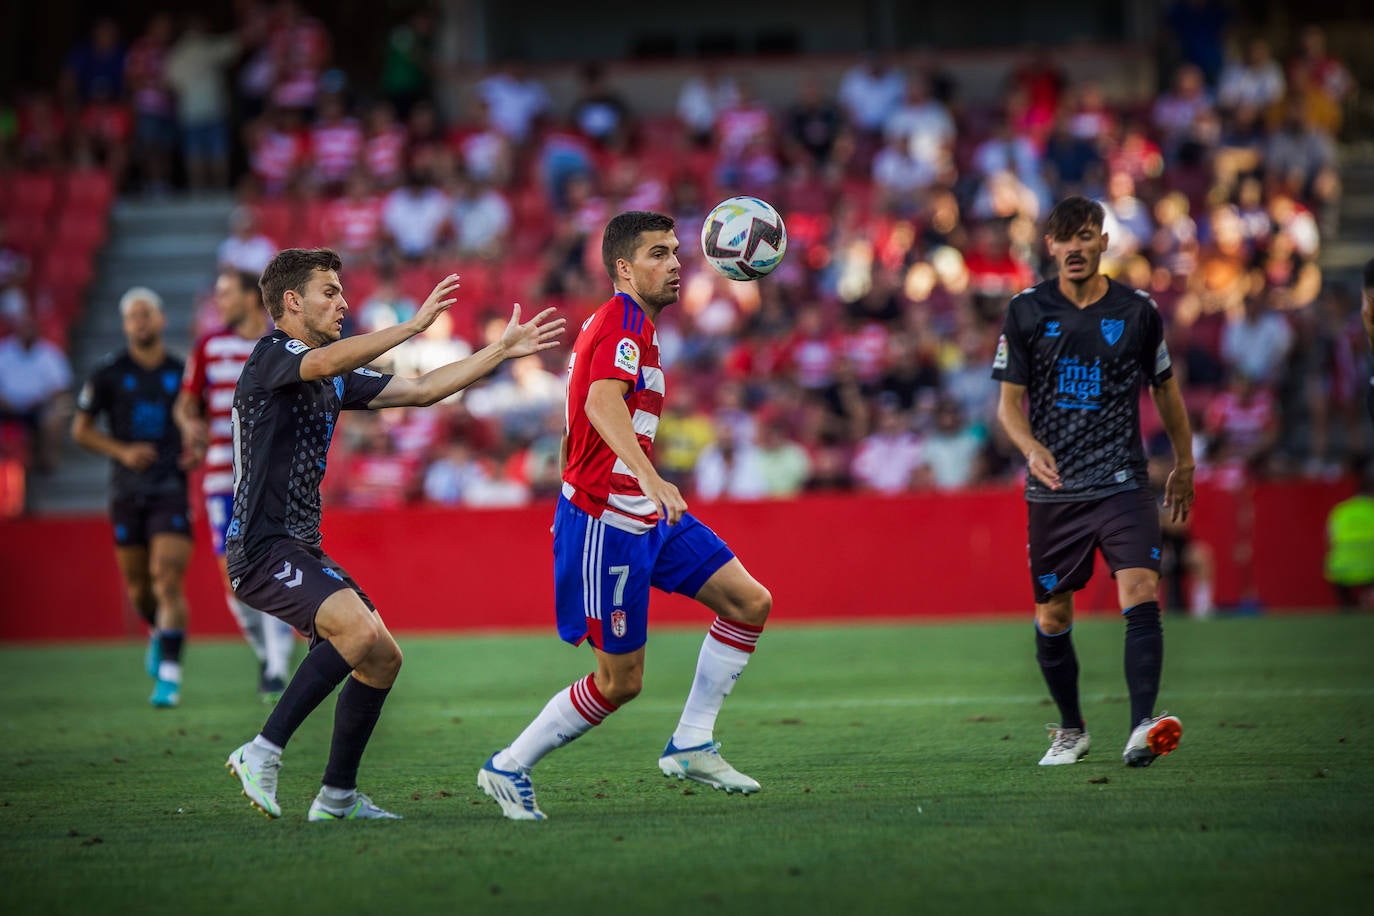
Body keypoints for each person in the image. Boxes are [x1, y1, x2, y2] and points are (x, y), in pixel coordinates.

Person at [223, 248, 561, 821]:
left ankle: (337, 797)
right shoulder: (272, 356)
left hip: (300, 545)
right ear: (291, 301)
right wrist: (411, 326)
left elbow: (425, 389)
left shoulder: (328, 375)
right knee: (356, 634)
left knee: (381, 657)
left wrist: (499, 352)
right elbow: (325, 364)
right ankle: (262, 751)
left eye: (341, 290)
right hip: (260, 548)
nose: (342, 301)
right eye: (329, 291)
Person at [477, 211, 773, 821]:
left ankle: (692, 741)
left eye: (674, 253)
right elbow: (600, 400)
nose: (674, 264)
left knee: (749, 602)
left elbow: (578, 421)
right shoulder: (623, 323)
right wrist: (647, 477)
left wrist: (614, 479)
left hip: (643, 511)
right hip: (608, 519)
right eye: (658, 254)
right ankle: (508, 764)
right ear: (623, 268)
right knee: (620, 683)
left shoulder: (629, 325)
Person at [991, 196, 1195, 768]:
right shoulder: (1027, 311)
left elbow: (1166, 388)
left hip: (1123, 481)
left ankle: (1142, 725)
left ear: (1104, 242)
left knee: (1141, 591)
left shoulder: (1137, 310)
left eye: (1086, 236)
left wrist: (1186, 461)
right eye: (1065, 238)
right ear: (1050, 246)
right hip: (1056, 491)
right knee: (1053, 616)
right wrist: (1030, 447)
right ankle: (1072, 730)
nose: (1076, 247)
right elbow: (1008, 405)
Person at [174, 269, 296, 701]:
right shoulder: (209, 346)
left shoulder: (279, 345)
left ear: (250, 298)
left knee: (274, 564)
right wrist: (191, 429)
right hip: (221, 475)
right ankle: (266, 653)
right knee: (235, 578)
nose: (218, 301)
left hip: (268, 476)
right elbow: (186, 405)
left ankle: (278, 668)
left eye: (225, 293)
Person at [72, 288, 193, 708]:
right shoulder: (108, 373)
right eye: (132, 317)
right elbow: (81, 429)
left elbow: (202, 419)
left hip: (170, 489)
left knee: (167, 578)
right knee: (140, 588)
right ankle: (158, 632)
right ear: (125, 325)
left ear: (160, 320)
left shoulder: (181, 373)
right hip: (126, 492)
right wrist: (122, 451)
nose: (140, 322)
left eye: (147, 315)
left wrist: (195, 446)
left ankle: (170, 681)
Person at [1324, 465, 1374, 611]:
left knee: (1347, 610)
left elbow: (1329, 540)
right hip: (1370, 570)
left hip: (1341, 570)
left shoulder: (1341, 510)